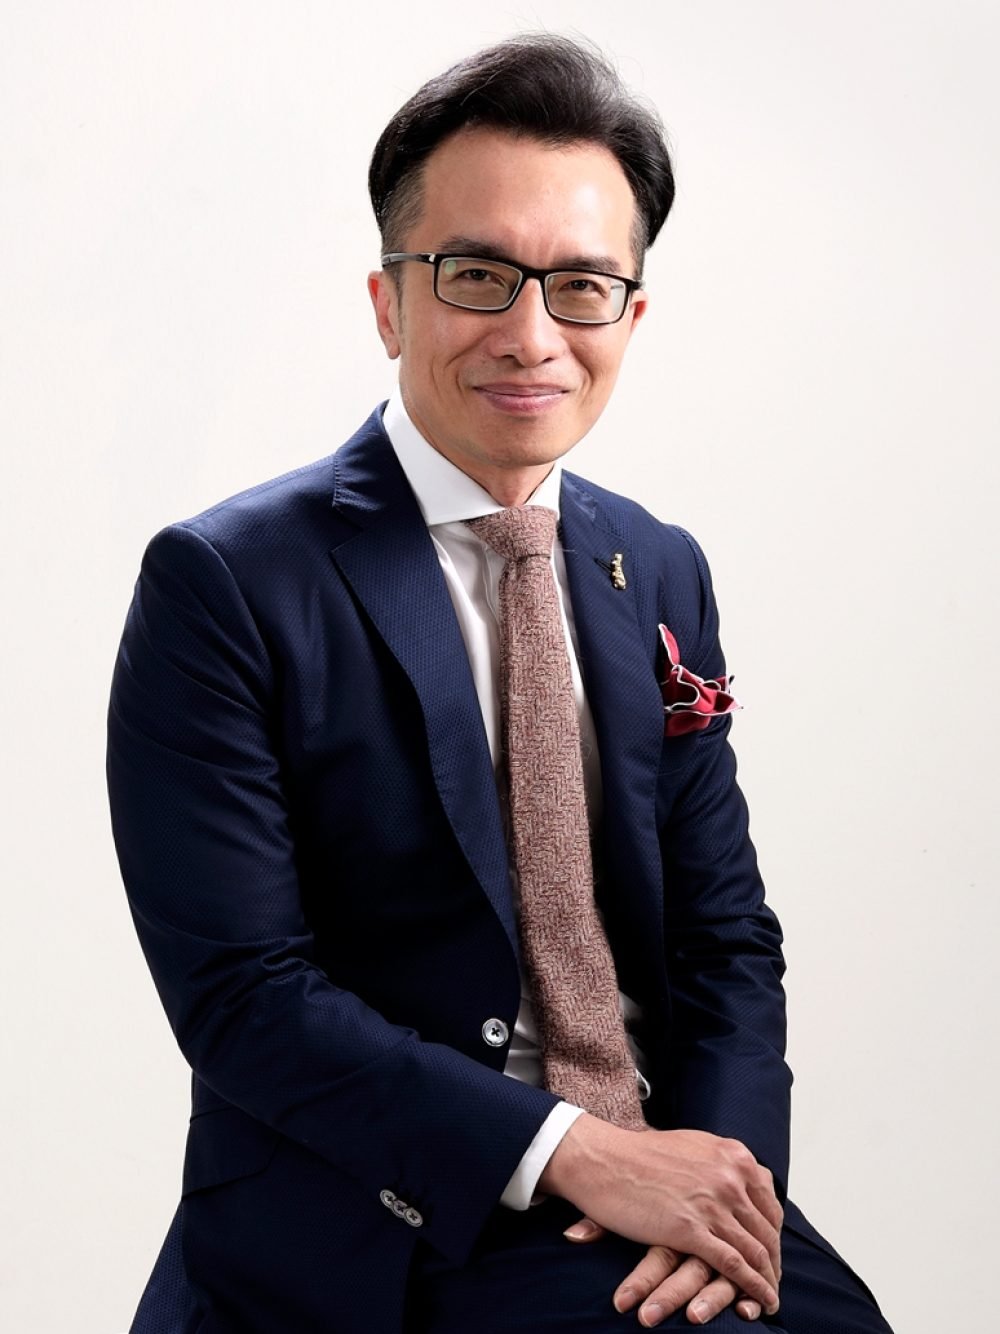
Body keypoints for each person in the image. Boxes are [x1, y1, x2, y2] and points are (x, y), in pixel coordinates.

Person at [107, 34, 892, 1333]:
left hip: (652, 1184)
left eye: (581, 286)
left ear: (631, 318)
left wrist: (725, 1189)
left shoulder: (661, 568)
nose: (532, 336)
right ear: (388, 302)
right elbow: (246, 999)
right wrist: (575, 1151)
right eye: (477, 275)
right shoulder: (226, 583)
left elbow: (724, 940)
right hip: (388, 1209)